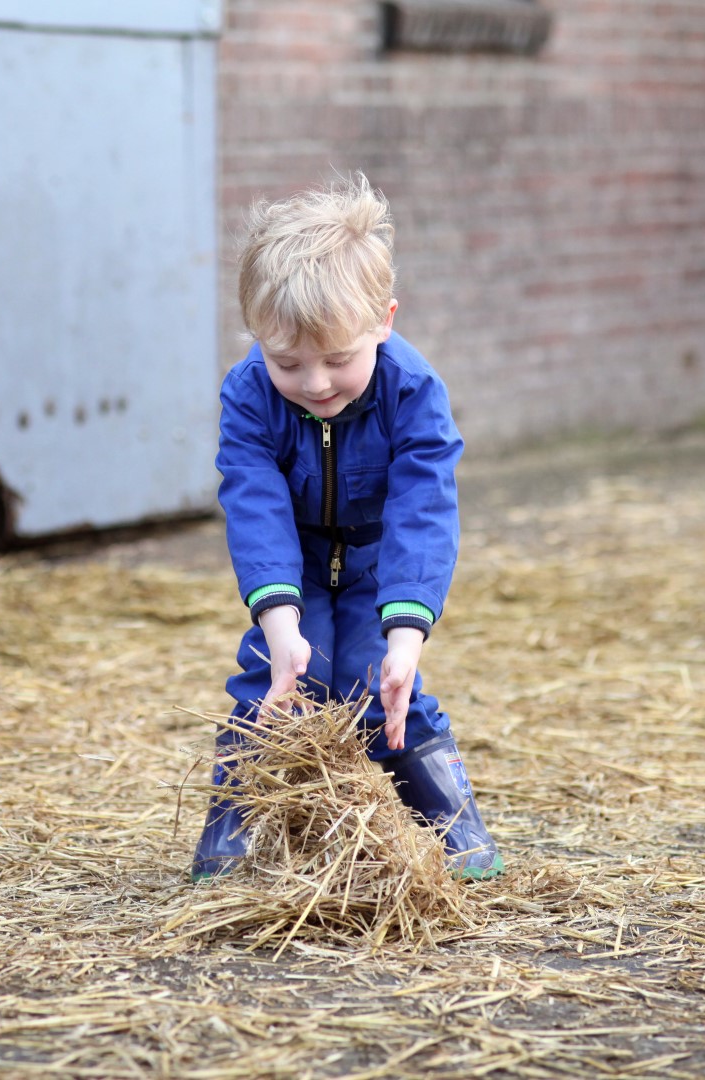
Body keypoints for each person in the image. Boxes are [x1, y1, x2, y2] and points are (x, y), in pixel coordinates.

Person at [189, 174, 503, 882]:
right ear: (256, 339)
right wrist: (280, 624)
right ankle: (233, 827)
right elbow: (255, 504)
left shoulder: (412, 392)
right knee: (278, 678)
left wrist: (406, 637)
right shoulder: (247, 395)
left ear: (383, 321)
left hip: (373, 566)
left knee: (380, 680)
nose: (316, 383)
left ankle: (453, 828)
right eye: (287, 362)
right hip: (295, 562)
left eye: (338, 359)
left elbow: (422, 512)